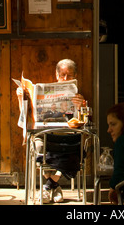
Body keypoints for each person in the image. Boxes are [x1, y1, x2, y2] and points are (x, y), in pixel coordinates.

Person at [16, 58, 86, 203]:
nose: (65, 79)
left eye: (70, 76)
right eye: (62, 75)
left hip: (68, 137)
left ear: (75, 77)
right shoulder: (43, 93)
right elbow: (25, 118)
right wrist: (20, 98)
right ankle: (54, 186)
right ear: (56, 75)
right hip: (46, 135)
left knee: (73, 148)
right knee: (38, 146)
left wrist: (81, 107)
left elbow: (85, 122)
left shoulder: (78, 97)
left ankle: (48, 186)